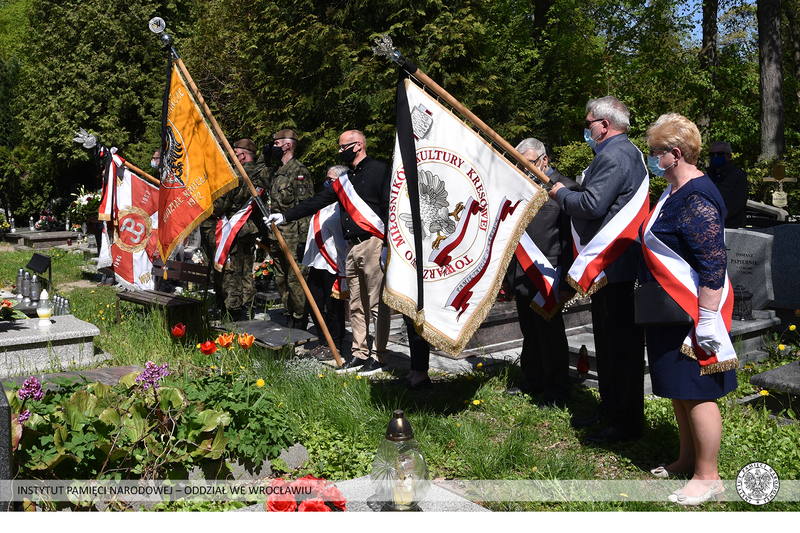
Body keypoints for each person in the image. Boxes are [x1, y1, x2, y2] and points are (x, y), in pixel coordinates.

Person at [641, 114, 737, 505]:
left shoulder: (696, 196)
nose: (652, 158)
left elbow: (713, 262)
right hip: (672, 309)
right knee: (680, 390)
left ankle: (708, 476)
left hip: (694, 312)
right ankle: (687, 459)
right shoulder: (674, 190)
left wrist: (709, 319)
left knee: (697, 392)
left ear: (675, 154)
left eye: (655, 152)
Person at [548, 96, 648, 443]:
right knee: (608, 346)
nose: (587, 129)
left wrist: (561, 194)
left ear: (604, 125)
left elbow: (591, 204)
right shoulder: (625, 152)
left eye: (589, 123)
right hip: (613, 265)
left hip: (614, 265)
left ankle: (625, 422)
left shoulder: (613, 155)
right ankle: (611, 409)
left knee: (619, 349)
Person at [267, 130, 390, 375]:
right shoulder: (346, 179)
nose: (340, 151)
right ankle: (359, 353)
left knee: (377, 304)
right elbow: (317, 201)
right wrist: (285, 216)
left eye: (344, 147)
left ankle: (379, 356)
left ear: (358, 145)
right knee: (356, 305)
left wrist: (388, 245)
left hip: (374, 243)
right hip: (352, 246)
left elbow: (388, 207)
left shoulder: (379, 170)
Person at [505, 138, 579, 407]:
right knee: (529, 331)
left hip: (550, 274)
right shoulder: (520, 187)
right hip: (524, 272)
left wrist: (568, 281)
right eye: (519, 164)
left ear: (544, 160)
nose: (524, 169)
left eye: (529, 163)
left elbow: (570, 240)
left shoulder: (567, 188)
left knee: (550, 336)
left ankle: (557, 390)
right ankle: (532, 379)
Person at [257, 129, 314, 330]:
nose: (273, 147)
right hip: (276, 235)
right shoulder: (275, 172)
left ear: (287, 145)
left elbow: (306, 209)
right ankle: (289, 314)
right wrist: (264, 155)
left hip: (293, 237)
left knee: (295, 279)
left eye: (276, 144)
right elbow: (254, 175)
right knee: (281, 279)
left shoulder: (299, 172)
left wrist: (303, 240)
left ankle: (299, 320)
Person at [302, 165, 349, 357]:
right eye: (326, 179)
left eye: (331, 180)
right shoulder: (324, 203)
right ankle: (323, 341)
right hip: (317, 262)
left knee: (333, 308)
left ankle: (336, 344)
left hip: (334, 264)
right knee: (313, 302)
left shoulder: (345, 205)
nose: (326, 183)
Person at [216, 138, 264, 320]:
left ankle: (234, 311)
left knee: (232, 271)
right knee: (247, 271)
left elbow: (222, 204)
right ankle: (248, 307)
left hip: (234, 229)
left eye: (235, 154)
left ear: (243, 155)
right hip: (251, 228)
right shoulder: (260, 174)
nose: (232, 157)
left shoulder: (235, 175)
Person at [705, 141, 748, 229]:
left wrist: (716, 218)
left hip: (731, 226)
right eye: (712, 154)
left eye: (720, 154)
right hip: (708, 225)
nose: (715, 157)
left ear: (729, 156)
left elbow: (737, 203)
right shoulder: (706, 175)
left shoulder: (738, 175)